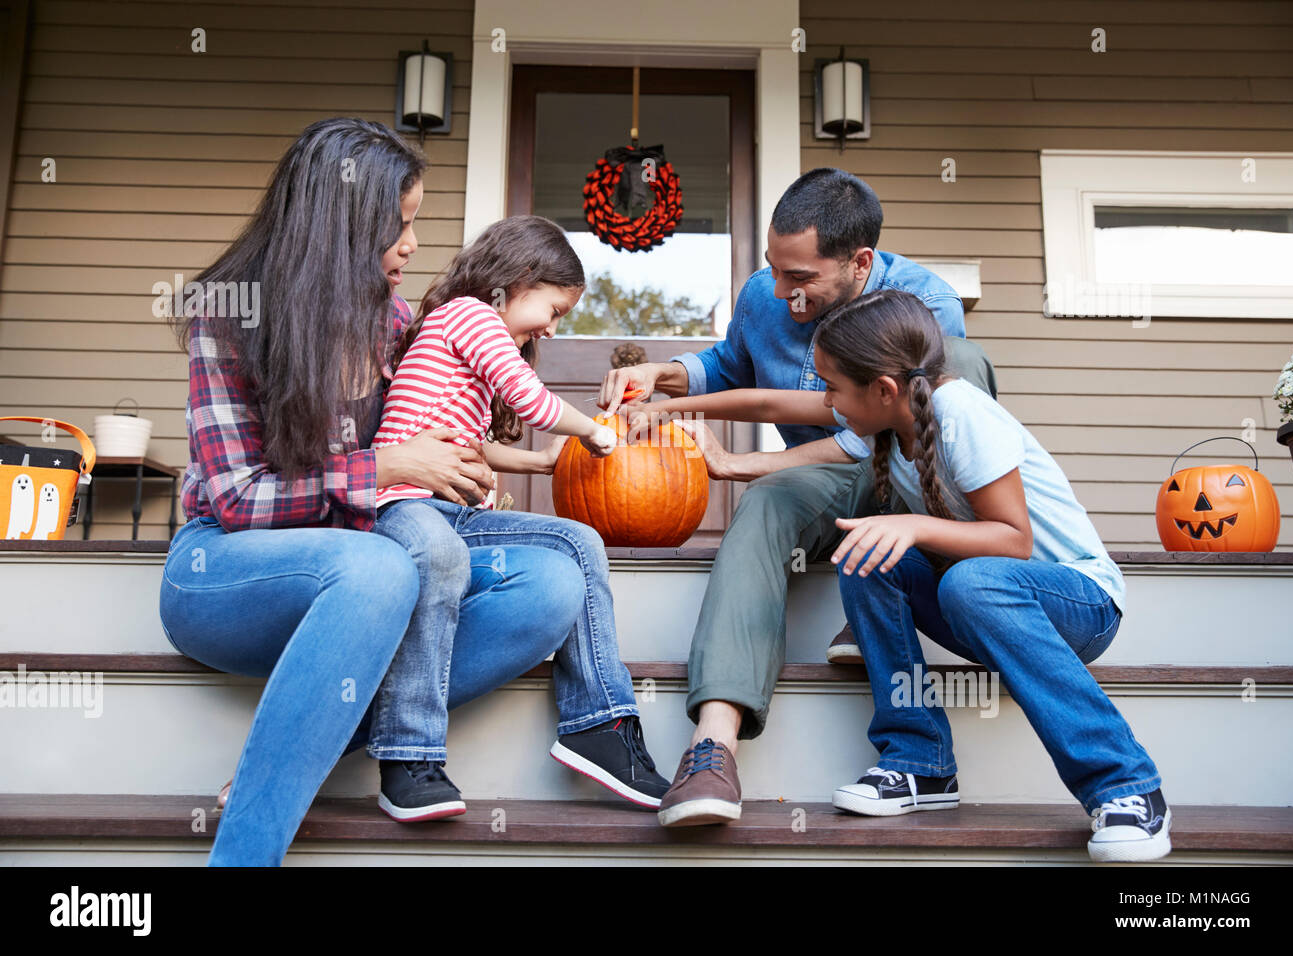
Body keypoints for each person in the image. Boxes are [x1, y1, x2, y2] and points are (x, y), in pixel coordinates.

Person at [159, 118, 594, 865]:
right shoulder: (229, 316)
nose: (413, 246)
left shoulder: (398, 322)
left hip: (376, 562)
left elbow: (444, 425)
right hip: (232, 574)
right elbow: (239, 502)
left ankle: (320, 738)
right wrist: (389, 468)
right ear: (340, 227)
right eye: (399, 226)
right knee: (378, 568)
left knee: (553, 582)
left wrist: (465, 461)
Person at [649, 287, 1173, 863]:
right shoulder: (885, 423)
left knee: (964, 580)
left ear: (883, 390)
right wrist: (722, 459)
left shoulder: (961, 413)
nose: (826, 401)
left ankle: (1125, 786)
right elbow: (780, 416)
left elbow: (1014, 541)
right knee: (869, 555)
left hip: (1079, 603)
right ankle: (919, 762)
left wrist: (914, 527)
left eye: (832, 388)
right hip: (984, 603)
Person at [599, 168, 998, 826]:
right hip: (823, 483)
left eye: (802, 278)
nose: (781, 292)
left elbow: (864, 436)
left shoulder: (923, 303)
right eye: (774, 271)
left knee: (963, 359)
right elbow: (731, 366)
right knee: (768, 500)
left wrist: (744, 463)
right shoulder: (767, 293)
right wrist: (660, 375)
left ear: (860, 262)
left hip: (903, 477)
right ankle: (712, 748)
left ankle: (901, 582)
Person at [360, 215, 670, 819]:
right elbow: (527, 397)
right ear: (519, 279)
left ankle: (600, 723)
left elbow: (479, 448)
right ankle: (409, 757)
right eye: (553, 310)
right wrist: (592, 432)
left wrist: (543, 459)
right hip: (400, 505)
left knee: (578, 541)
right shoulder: (470, 314)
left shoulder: (470, 336)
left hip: (452, 509)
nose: (551, 330)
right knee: (439, 556)